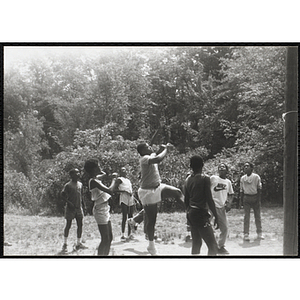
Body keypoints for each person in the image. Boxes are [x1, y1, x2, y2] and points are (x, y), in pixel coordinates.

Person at [136, 142, 184, 255]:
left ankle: (191, 213)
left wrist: (159, 149)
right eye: (147, 147)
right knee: (151, 220)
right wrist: (166, 149)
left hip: (158, 186)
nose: (150, 147)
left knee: (177, 192)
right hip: (147, 192)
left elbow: (155, 155)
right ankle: (151, 246)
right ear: (142, 151)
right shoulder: (144, 158)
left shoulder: (150, 156)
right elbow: (158, 159)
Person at [184, 155, 219, 256]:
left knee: (197, 243)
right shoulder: (205, 178)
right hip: (200, 213)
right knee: (213, 245)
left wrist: (189, 214)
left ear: (191, 166)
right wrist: (216, 215)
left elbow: (186, 200)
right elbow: (209, 199)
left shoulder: (188, 180)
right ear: (203, 165)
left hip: (191, 213)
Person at [84, 159, 116, 256]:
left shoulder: (96, 178)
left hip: (105, 208)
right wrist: (115, 180)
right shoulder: (93, 181)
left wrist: (101, 171)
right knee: (105, 238)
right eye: (98, 166)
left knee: (110, 238)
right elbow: (110, 190)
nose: (100, 167)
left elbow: (104, 174)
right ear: (93, 169)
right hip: (100, 210)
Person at [61, 168, 87, 253]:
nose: (78, 174)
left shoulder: (80, 184)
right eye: (76, 173)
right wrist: (69, 203)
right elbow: (62, 195)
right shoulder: (68, 185)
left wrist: (84, 205)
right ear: (71, 175)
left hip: (79, 208)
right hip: (70, 209)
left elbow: (81, 195)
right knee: (68, 225)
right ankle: (65, 244)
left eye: (78, 173)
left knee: (80, 225)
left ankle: (78, 243)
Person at [210, 163, 234, 254]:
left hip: (221, 207)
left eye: (223, 167)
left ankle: (220, 246)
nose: (221, 168)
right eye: (219, 167)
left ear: (227, 170)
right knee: (207, 226)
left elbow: (231, 194)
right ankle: (210, 245)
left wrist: (229, 203)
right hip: (211, 206)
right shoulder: (213, 178)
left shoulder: (228, 182)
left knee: (225, 228)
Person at [240, 162, 264, 241]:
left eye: (247, 166)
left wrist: (258, 199)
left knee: (257, 216)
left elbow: (259, 188)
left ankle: (259, 233)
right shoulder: (243, 178)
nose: (246, 168)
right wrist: (241, 201)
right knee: (246, 216)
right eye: (244, 166)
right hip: (246, 198)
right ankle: (246, 234)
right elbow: (241, 190)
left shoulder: (256, 177)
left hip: (255, 197)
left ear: (251, 168)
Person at [113, 167, 135, 241]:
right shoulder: (119, 179)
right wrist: (124, 191)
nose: (124, 171)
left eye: (125, 170)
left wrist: (136, 200)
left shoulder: (128, 180)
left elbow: (130, 191)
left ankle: (130, 234)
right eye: (122, 170)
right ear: (120, 172)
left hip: (130, 198)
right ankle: (122, 235)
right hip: (124, 198)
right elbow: (114, 189)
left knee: (131, 217)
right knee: (124, 216)